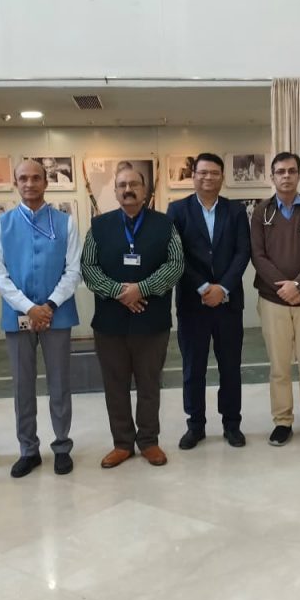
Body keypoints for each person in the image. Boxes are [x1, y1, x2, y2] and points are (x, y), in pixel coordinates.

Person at [82, 161, 184, 468]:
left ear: (145, 190)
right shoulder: (98, 227)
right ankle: (122, 444)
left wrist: (142, 289)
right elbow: (88, 267)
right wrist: (119, 292)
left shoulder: (165, 225)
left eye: (134, 184)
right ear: (115, 192)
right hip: (110, 324)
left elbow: (176, 264)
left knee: (149, 385)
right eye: (122, 185)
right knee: (115, 387)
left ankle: (149, 441)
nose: (128, 190)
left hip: (152, 322)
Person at [0, 160, 82, 478]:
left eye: (36, 178)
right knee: (22, 385)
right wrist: (29, 307)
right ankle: (28, 449)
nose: (30, 183)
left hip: (58, 313)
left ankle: (62, 446)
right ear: (15, 183)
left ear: (46, 182)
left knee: (60, 383)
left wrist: (50, 305)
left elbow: (73, 270)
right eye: (23, 178)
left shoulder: (65, 223)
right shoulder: (1, 225)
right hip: (18, 316)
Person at [167, 153, 251, 450]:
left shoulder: (236, 210)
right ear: (193, 176)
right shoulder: (177, 210)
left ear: (222, 177)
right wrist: (203, 287)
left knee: (230, 367)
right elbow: (175, 254)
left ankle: (232, 424)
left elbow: (243, 252)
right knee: (193, 369)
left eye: (214, 173)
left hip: (229, 303)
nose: (208, 177)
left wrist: (223, 287)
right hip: (193, 303)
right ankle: (196, 425)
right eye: (202, 172)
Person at [251, 152, 300, 447]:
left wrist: (297, 284)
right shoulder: (262, 211)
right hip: (273, 300)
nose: (286, 176)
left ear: (299, 174)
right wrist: (283, 288)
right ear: (272, 176)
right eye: (280, 171)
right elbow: (258, 254)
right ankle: (282, 421)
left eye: (291, 171)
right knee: (279, 365)